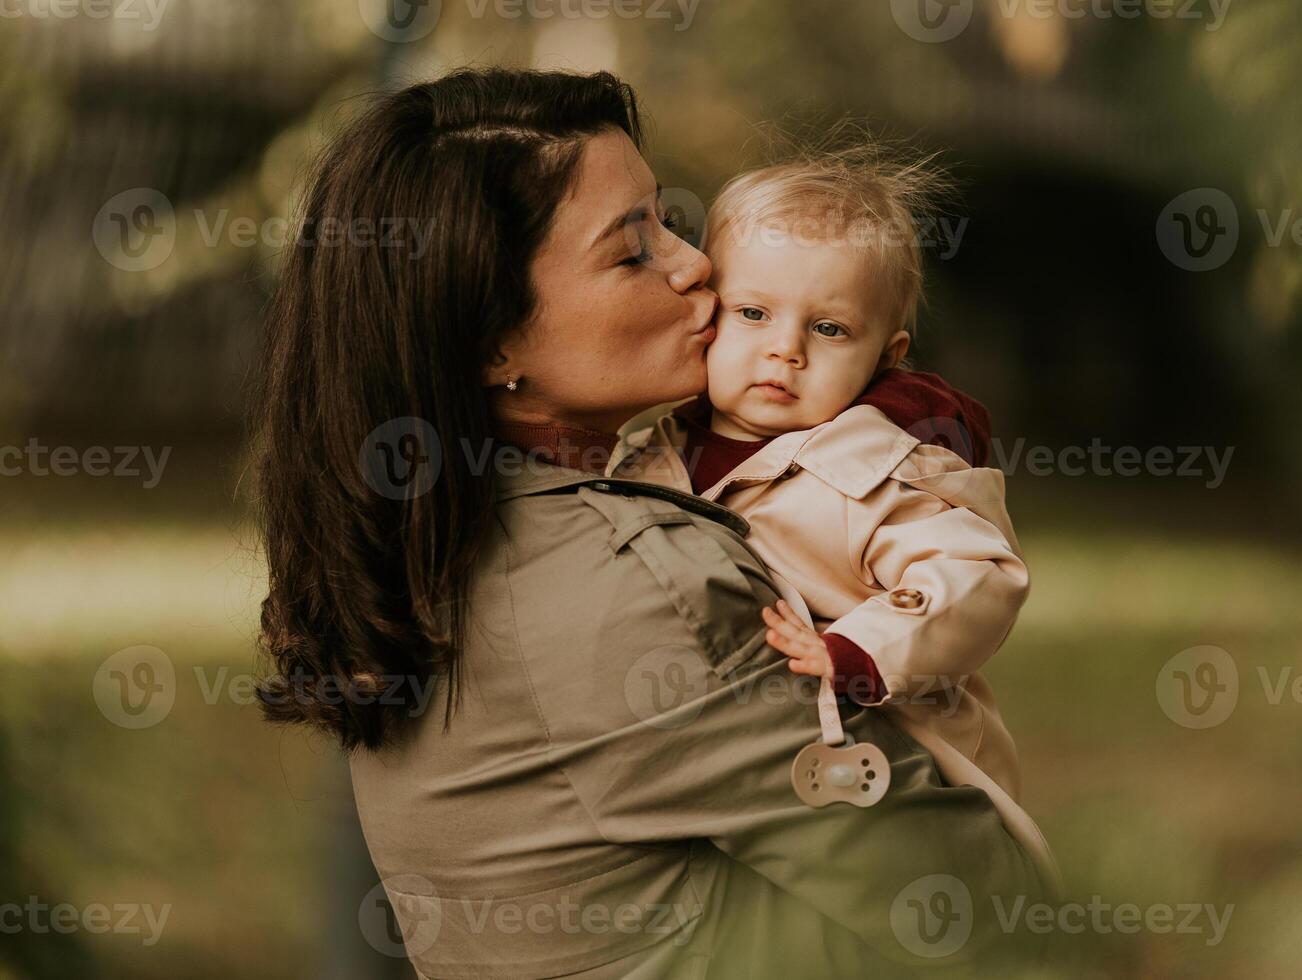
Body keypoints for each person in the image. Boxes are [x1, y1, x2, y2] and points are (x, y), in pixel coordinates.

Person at [250, 66, 1045, 978]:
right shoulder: (646, 585)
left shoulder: (435, 539)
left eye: (667, 220)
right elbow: (982, 910)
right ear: (491, 343)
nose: (696, 263)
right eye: (633, 250)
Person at [607, 144, 1060, 888]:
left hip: (902, 768)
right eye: (753, 313)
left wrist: (859, 649)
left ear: (886, 356)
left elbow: (980, 573)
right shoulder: (652, 451)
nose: (784, 351)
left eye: (829, 330)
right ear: (706, 312)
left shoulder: (874, 470)